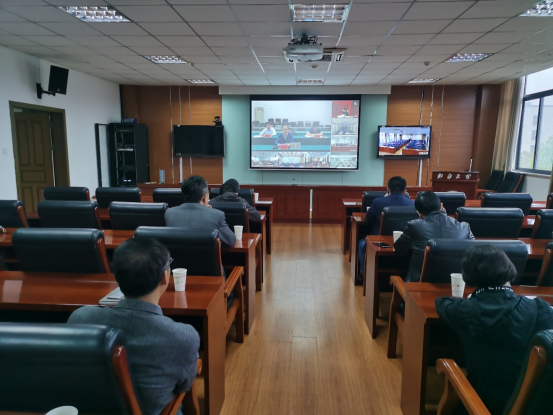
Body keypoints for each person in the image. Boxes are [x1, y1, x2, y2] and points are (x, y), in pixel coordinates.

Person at [68, 238, 200, 415]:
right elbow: (184, 385)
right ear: (165, 277)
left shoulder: (80, 318)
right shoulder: (183, 337)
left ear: (117, 276)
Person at [436, 245, 553, 414]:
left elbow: (442, 302)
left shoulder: (466, 311)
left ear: (469, 277)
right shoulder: (540, 307)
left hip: (486, 404)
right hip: (540, 404)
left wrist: (471, 299)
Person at [394, 191, 474, 282]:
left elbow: (399, 249)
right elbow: (475, 253)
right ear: (441, 206)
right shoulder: (464, 227)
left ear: (418, 212)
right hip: (454, 285)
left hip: (419, 285)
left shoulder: (414, 226)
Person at [357, 177, 414, 280]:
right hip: (404, 243)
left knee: (361, 243)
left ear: (387, 189)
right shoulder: (413, 204)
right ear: (405, 191)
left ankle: (363, 275)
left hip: (379, 243)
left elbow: (366, 220)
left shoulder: (378, 202)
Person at [165, 175, 236, 247]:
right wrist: (209, 211)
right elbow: (231, 241)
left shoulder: (169, 213)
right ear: (204, 197)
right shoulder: (217, 215)